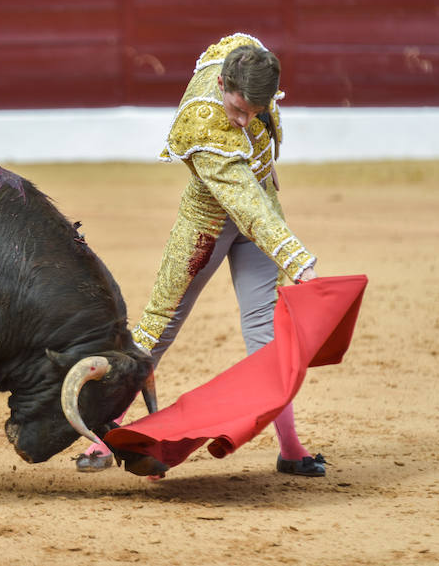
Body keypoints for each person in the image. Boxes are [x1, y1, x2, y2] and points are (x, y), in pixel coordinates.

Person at [75, 32, 327, 477]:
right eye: (238, 109)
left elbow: (255, 201)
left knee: (264, 337)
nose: (246, 122)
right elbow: (242, 200)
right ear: (223, 87)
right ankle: (102, 434)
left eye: (256, 112)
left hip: (259, 220)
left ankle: (290, 447)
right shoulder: (202, 120)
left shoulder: (249, 69)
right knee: (158, 327)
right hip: (207, 227)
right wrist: (297, 259)